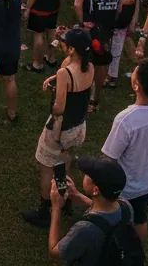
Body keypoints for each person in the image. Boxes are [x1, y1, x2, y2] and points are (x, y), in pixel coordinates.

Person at [21, 29, 94, 227]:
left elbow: (59, 107)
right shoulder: (90, 67)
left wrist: (54, 93)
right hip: (78, 126)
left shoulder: (65, 73)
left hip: (60, 129)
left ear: (72, 49)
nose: (60, 45)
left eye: (64, 43)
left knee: (46, 166)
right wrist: (54, 79)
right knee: (64, 161)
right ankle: (67, 198)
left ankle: (46, 210)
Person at [100, 58, 148, 239]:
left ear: (136, 85)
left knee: (113, 224)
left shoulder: (126, 119)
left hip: (124, 189)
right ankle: (135, 251)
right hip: (147, 183)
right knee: (140, 219)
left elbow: (110, 158)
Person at [47, 156, 138, 265]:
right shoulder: (126, 206)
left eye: (87, 175)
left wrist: (56, 207)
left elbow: (54, 252)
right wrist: (77, 195)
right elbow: (106, 215)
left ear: (95, 190)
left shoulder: (84, 229)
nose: (84, 176)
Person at [74, 0, 122, 109]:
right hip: (106, 27)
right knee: (102, 61)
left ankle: (82, 92)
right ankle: (96, 97)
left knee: (84, 59)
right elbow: (119, 7)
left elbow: (77, 4)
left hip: (90, 27)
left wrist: (82, 22)